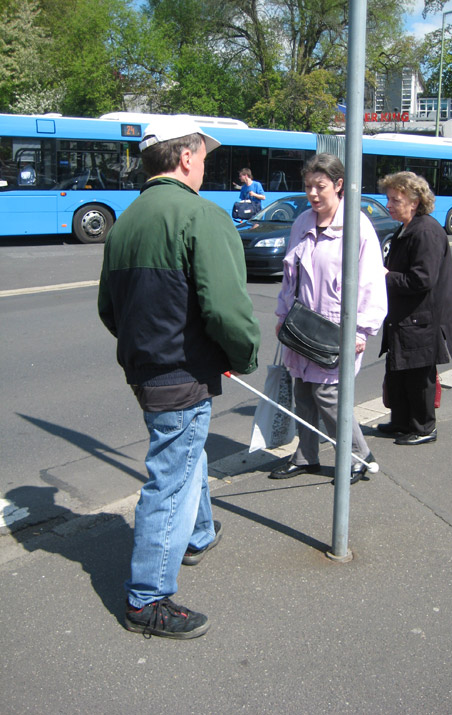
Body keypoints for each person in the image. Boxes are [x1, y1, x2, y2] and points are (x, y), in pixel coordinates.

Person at [98, 115, 261, 639]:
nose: (205, 167)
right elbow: (228, 312)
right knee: (170, 479)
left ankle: (200, 534)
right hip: (182, 372)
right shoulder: (201, 216)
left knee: (187, 453)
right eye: (205, 157)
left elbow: (109, 309)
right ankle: (146, 600)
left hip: (146, 370)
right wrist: (244, 354)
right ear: (187, 156)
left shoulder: (125, 222)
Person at [269, 153, 387, 484]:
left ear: (338, 185)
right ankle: (306, 455)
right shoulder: (302, 221)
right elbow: (290, 275)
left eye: (320, 187)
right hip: (302, 323)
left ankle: (359, 456)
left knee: (329, 396)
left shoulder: (357, 226)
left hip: (337, 326)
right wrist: (282, 314)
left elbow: (371, 282)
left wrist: (362, 330)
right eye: (308, 187)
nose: (313, 194)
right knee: (304, 392)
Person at [377, 171, 452, 445]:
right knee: (399, 371)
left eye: (395, 199)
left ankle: (424, 427)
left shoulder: (425, 230)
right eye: (388, 199)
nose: (389, 204)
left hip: (422, 319)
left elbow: (422, 279)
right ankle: (403, 421)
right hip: (407, 317)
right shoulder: (407, 227)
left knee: (418, 376)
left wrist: (384, 276)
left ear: (415, 201)